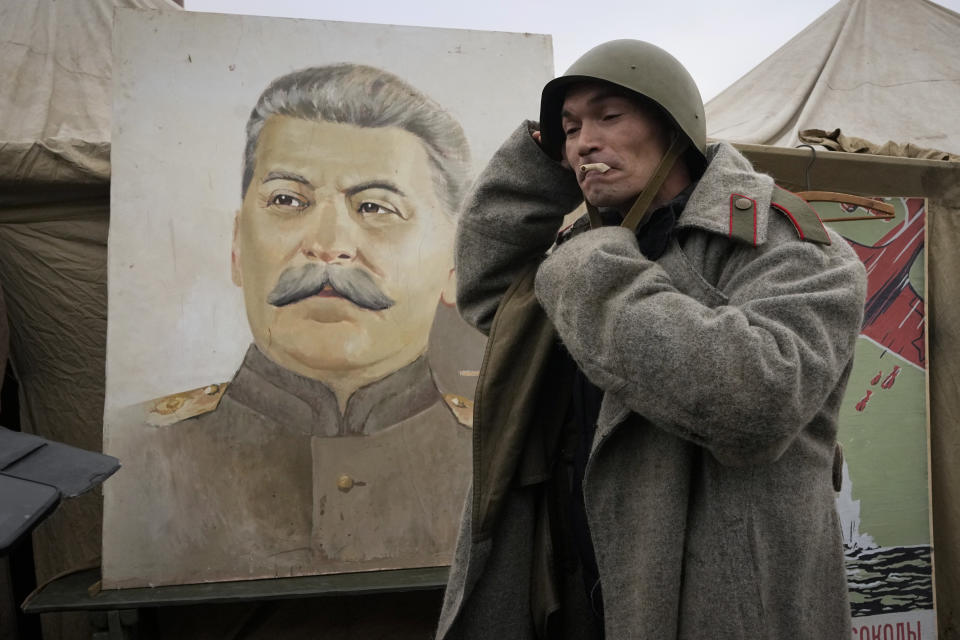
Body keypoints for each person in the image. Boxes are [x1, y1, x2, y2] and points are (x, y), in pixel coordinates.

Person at [436, 40, 867, 639]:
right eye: (570, 127)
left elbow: (758, 400)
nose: (584, 140)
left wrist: (594, 275)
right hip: (571, 595)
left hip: (719, 608)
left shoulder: (788, 247)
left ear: (674, 128)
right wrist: (538, 165)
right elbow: (490, 292)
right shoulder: (593, 251)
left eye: (609, 116)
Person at [104, 63, 475, 587]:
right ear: (237, 246)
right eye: (286, 200)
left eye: (375, 206)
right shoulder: (136, 452)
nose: (327, 243)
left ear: (454, 265)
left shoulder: (498, 455)